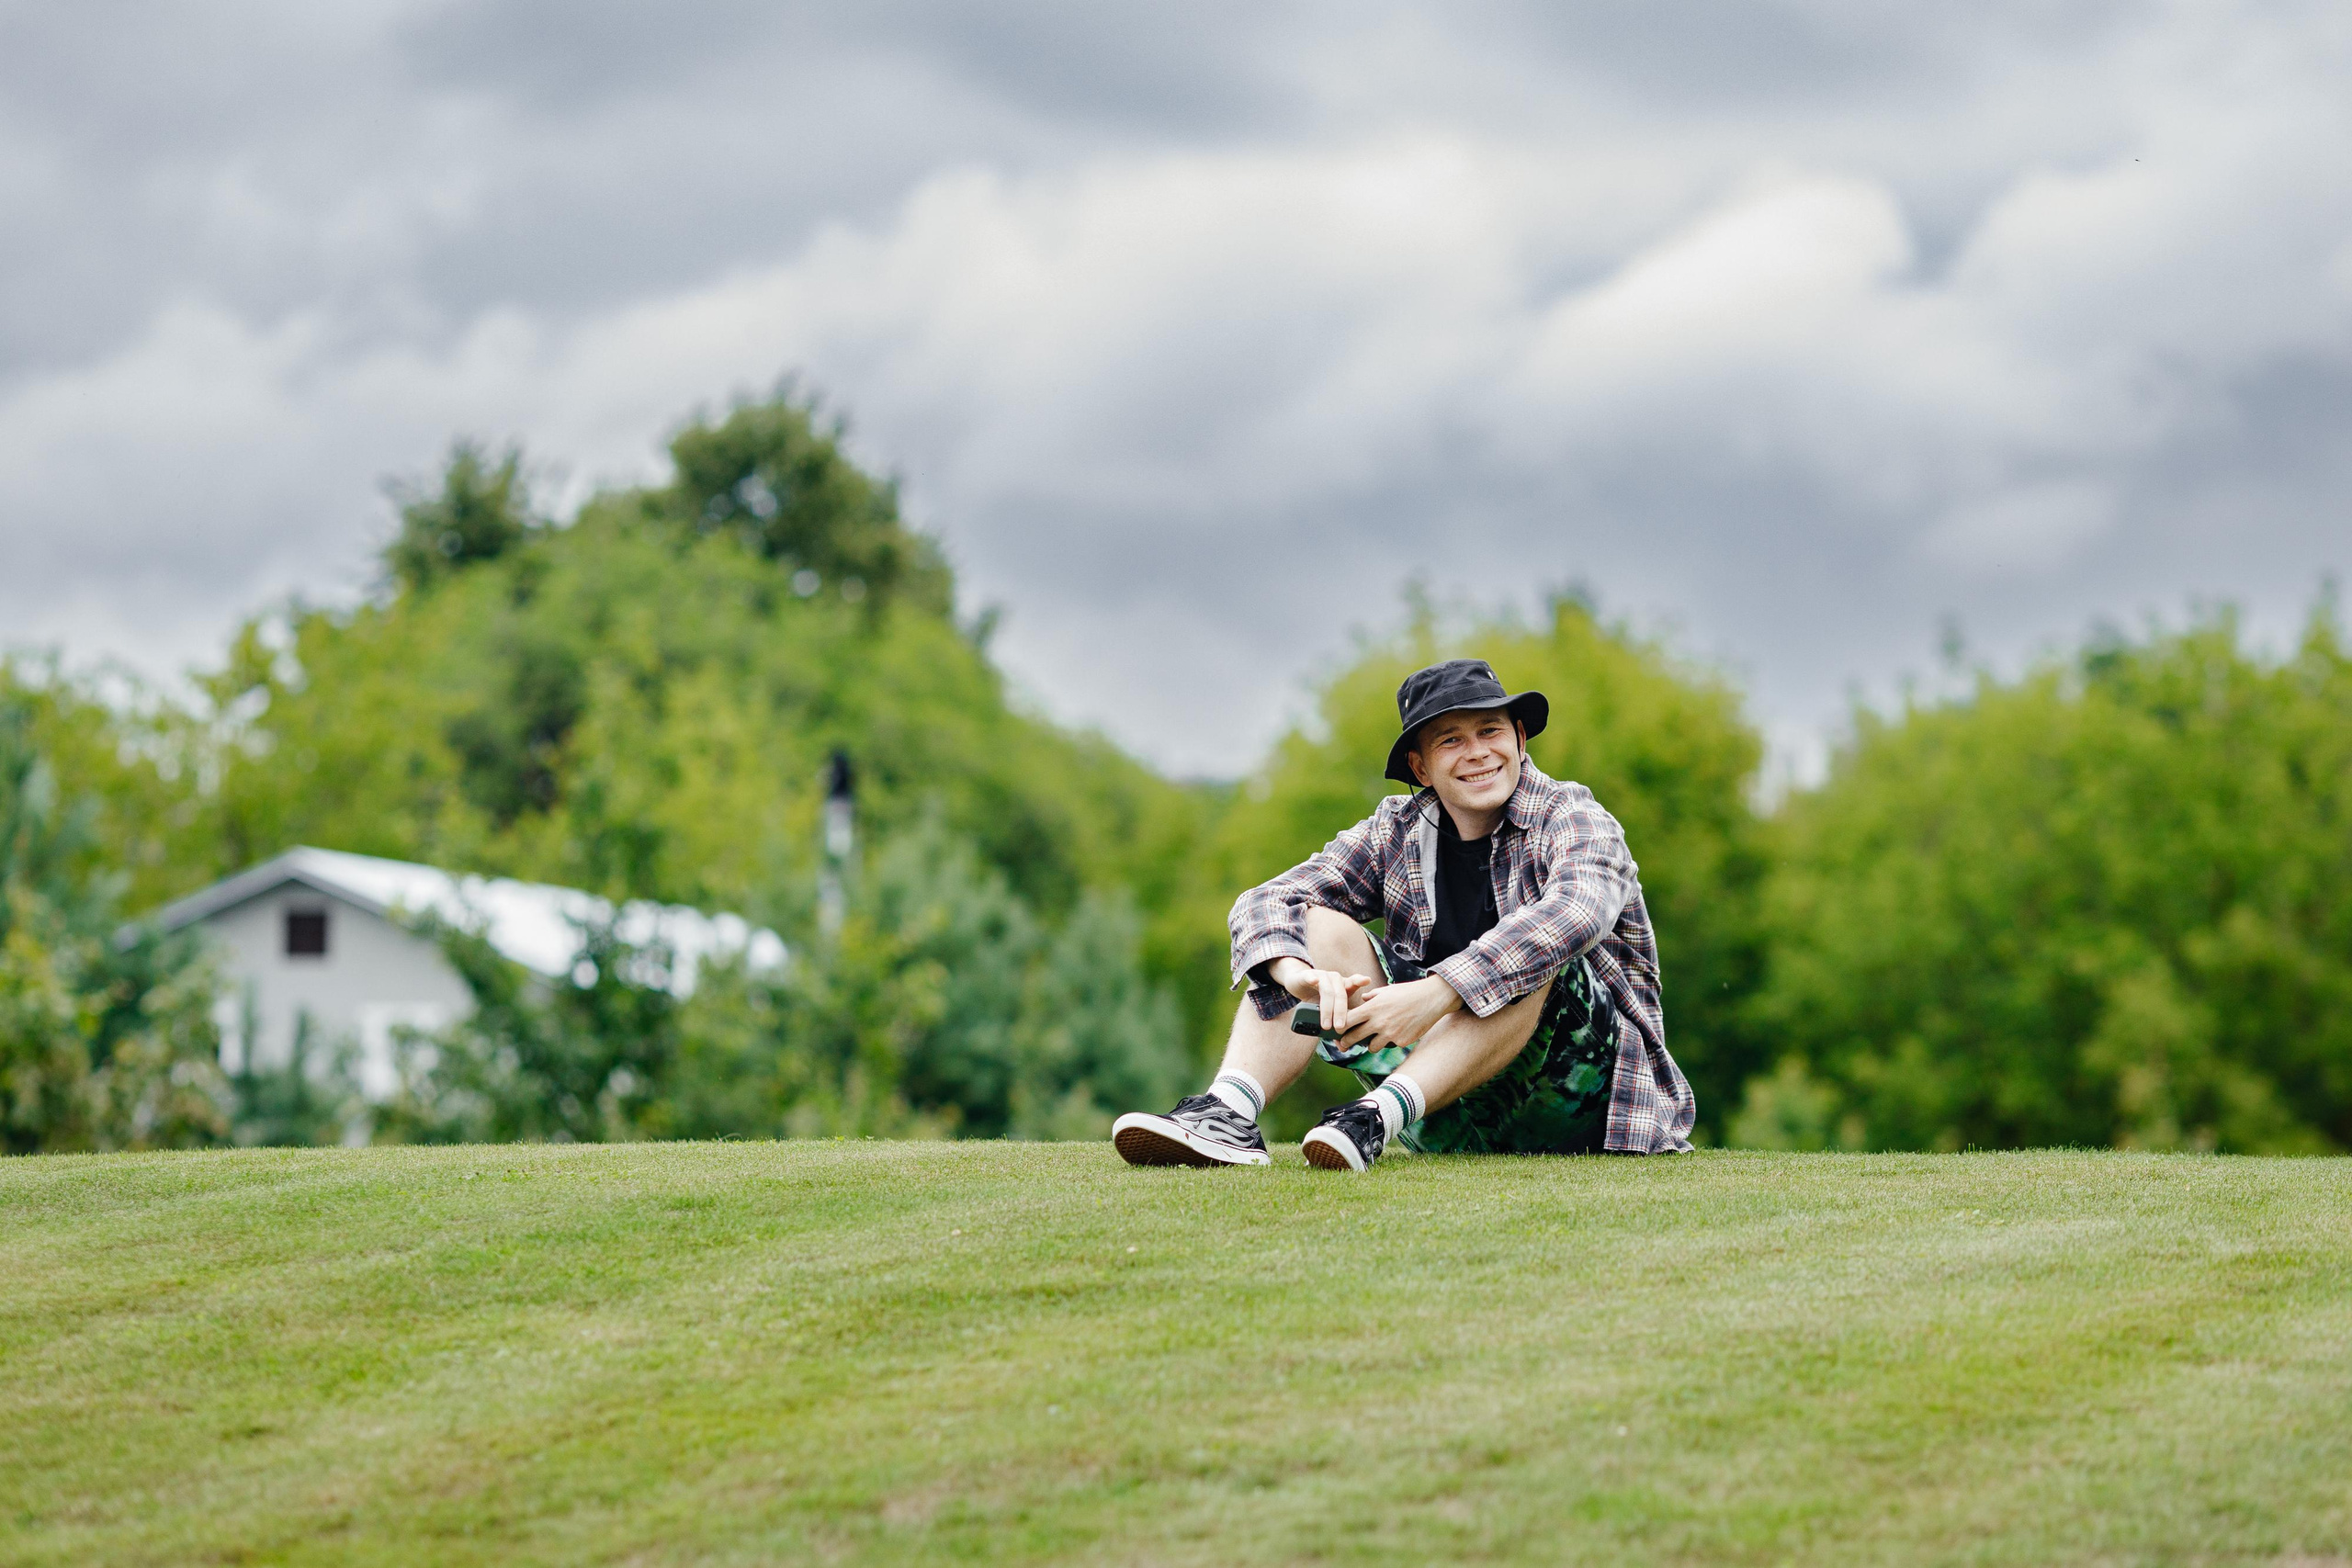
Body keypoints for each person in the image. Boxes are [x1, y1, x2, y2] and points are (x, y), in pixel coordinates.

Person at [1114, 658, 1695, 1171]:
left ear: (1520, 738)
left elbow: (1577, 912)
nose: (1477, 753)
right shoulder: (1396, 830)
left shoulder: (1571, 813)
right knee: (1315, 926)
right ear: (1421, 768)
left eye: (1490, 731)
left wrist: (1436, 993)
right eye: (1450, 741)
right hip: (1451, 1112)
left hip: (1585, 1112)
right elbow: (1266, 901)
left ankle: (1371, 1118)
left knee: (1534, 943)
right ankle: (1228, 1113)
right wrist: (1298, 976)